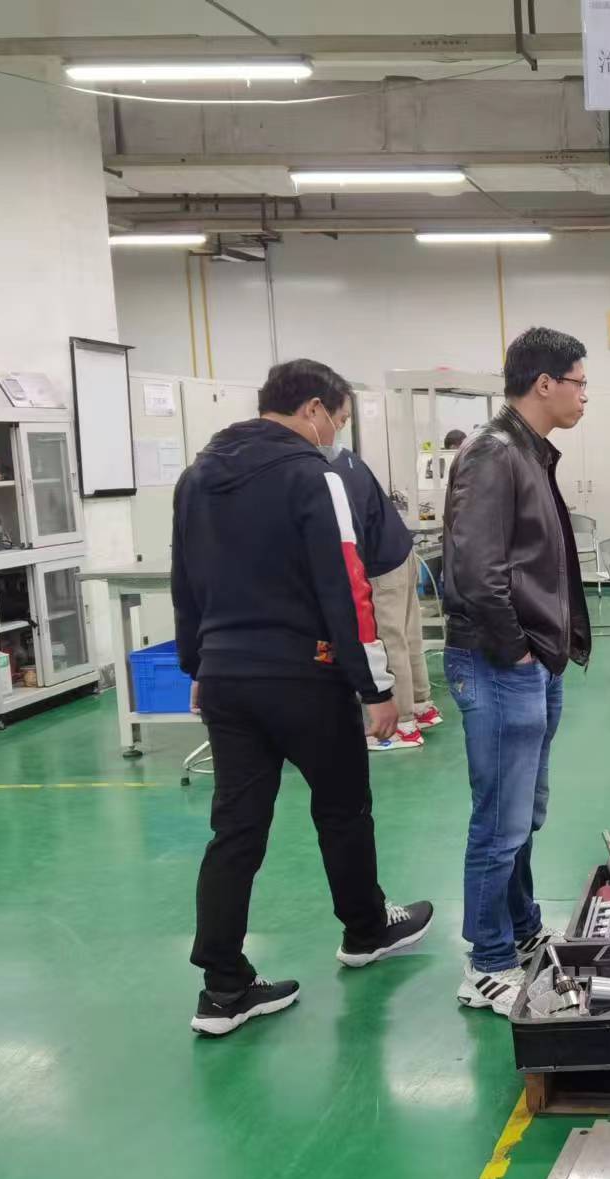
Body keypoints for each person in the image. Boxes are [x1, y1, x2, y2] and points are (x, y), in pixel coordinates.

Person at [172, 358, 434, 1037]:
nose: (335, 435)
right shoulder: (314, 477)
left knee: (235, 830)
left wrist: (198, 663)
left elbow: (186, 582)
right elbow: (347, 585)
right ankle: (366, 929)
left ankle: (223, 988)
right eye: (339, 420)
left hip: (227, 677)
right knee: (343, 808)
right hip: (304, 676)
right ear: (314, 409)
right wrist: (376, 687)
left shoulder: (196, 477)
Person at [444, 326, 592, 1017]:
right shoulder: (494, 454)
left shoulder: (527, 452)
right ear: (545, 384)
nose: (584, 396)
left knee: (523, 813)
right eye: (579, 383)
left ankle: (522, 927)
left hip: (531, 660)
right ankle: (487, 961)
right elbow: (477, 572)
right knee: (499, 820)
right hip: (500, 661)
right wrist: (517, 650)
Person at [327, 443, 442, 749]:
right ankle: (420, 705)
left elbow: (348, 534)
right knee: (408, 637)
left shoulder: (330, 472)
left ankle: (401, 725)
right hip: (401, 554)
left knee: (390, 644)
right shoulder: (346, 458)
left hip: (380, 567)